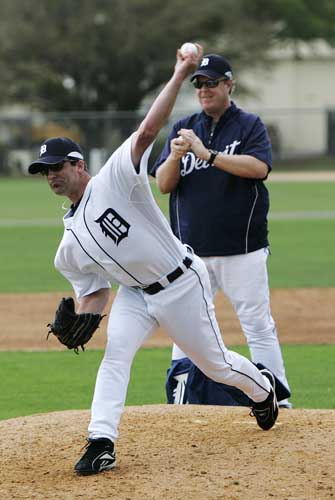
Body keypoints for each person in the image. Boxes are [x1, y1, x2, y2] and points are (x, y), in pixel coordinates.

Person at [28, 46, 279, 477]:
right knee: (116, 356)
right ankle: (100, 441)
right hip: (135, 295)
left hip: (181, 282)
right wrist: (84, 319)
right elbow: (95, 292)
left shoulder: (115, 179)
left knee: (215, 364)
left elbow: (147, 131)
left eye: (57, 166)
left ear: (79, 165)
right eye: (44, 170)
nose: (51, 174)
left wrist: (182, 72)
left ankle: (262, 390)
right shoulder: (68, 247)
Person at [151, 53, 291, 407]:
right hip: (190, 252)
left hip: (242, 248)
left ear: (229, 84)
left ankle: (278, 399)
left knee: (257, 325)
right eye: (199, 83)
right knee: (185, 327)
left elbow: (258, 167)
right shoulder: (184, 126)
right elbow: (164, 185)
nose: (204, 89)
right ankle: (182, 400)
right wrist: (175, 156)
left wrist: (207, 153)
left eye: (212, 82)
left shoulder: (248, 125)